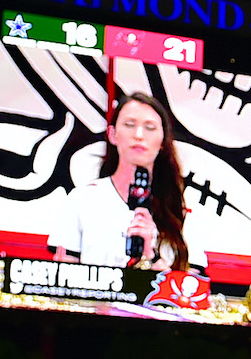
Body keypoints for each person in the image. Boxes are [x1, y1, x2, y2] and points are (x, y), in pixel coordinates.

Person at [47, 92, 207, 273]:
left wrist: (151, 256)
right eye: (129, 125)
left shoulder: (182, 209)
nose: (139, 135)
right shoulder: (83, 199)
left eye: (150, 128)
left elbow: (192, 289)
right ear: (112, 134)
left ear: (163, 141)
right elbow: (64, 276)